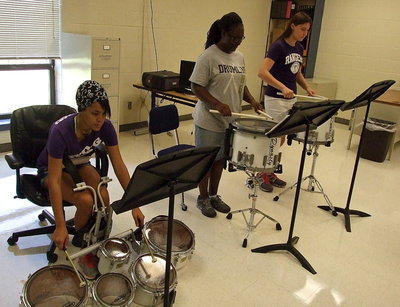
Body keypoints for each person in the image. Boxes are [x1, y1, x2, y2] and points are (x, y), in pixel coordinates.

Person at [37, 80, 145, 278]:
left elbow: (119, 165)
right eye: (95, 113)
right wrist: (61, 226)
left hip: (79, 163)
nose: (100, 120)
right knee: (86, 201)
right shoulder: (59, 130)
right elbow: (53, 180)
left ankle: (96, 239)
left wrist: (134, 204)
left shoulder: (105, 127)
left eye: (104, 114)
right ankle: (82, 249)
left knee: (103, 196)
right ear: (81, 110)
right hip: (52, 169)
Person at [190, 12, 263, 218]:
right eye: (233, 37)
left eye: (241, 38)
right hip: (209, 120)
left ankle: (214, 195)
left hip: (230, 121)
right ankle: (202, 198)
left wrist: (253, 100)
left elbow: (241, 83)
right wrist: (217, 103)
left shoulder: (239, 57)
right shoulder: (208, 56)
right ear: (223, 33)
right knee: (206, 161)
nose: (237, 42)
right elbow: (196, 86)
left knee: (220, 160)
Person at [257, 11, 316, 192]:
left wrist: (306, 87)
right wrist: (282, 87)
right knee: (273, 138)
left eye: (307, 30)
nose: (304, 34)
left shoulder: (298, 48)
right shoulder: (278, 46)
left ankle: (270, 170)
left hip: (291, 99)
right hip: (275, 98)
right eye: (302, 29)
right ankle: (261, 173)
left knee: (281, 139)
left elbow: (296, 72)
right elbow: (262, 72)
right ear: (292, 26)